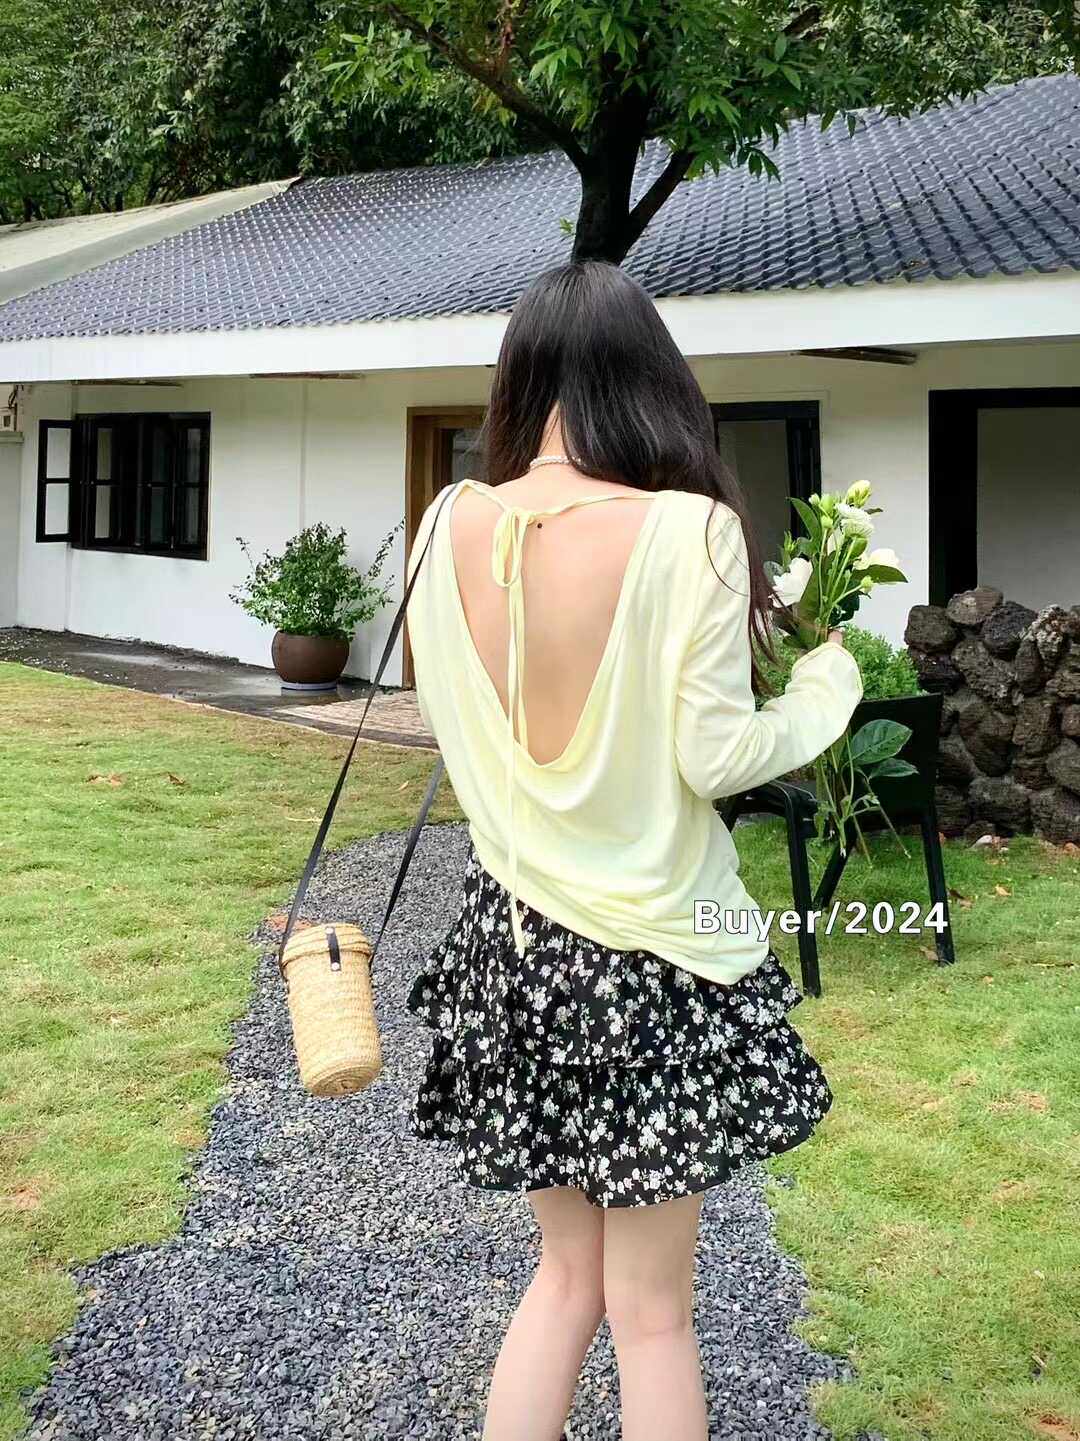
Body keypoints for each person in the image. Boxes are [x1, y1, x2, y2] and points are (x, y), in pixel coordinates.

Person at [402, 259, 863, 1441]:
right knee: (653, 1316)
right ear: (653, 382)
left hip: (511, 950)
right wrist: (828, 683)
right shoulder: (689, 531)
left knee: (563, 1280)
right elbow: (720, 757)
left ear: (520, 382)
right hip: (655, 960)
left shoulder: (446, 523)